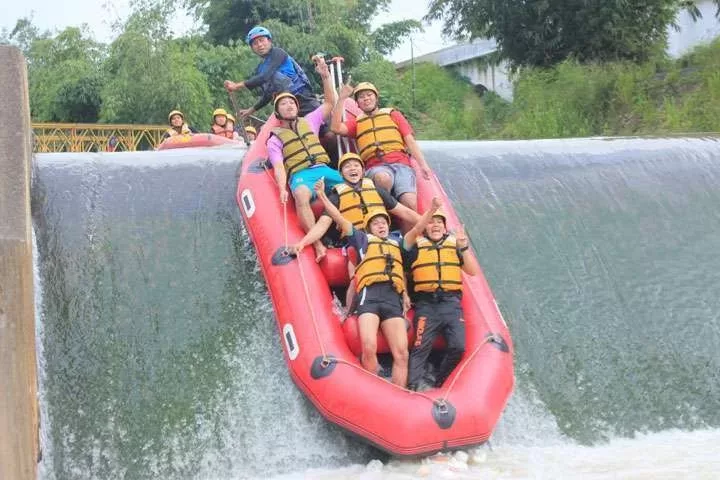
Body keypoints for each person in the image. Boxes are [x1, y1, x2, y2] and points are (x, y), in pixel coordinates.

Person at [313, 177, 411, 387]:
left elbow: (402, 266)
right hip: (370, 297)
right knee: (368, 346)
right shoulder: (361, 239)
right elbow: (339, 217)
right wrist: (322, 196)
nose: (380, 225)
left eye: (383, 222)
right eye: (376, 223)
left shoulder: (398, 242)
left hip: (392, 297)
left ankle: (398, 394)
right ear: (369, 228)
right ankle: (375, 386)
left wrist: (405, 294)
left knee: (402, 354)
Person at [267, 56, 343, 262]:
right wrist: (283, 188)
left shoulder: (310, 120)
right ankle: (317, 244)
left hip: (323, 169)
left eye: (292, 102)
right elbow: (279, 167)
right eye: (284, 104)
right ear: (278, 111)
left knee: (354, 186)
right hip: (301, 176)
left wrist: (325, 76)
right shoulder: (275, 139)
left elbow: (330, 102)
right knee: (300, 194)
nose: (289, 105)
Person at [403, 199, 480, 392]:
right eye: (431, 222)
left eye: (439, 222)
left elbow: (472, 271)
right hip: (427, 305)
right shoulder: (415, 245)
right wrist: (431, 211)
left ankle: (438, 381)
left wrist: (463, 247)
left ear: (445, 229)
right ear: (425, 227)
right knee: (421, 347)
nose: (435, 225)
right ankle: (411, 386)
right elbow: (412, 236)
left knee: (459, 347)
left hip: (451, 304)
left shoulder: (454, 246)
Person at [289, 152, 420, 262]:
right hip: (356, 240)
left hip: (383, 235)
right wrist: (303, 243)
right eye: (347, 167)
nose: (352, 169)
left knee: (410, 251)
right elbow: (322, 225)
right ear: (341, 174)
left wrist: (429, 222)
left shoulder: (376, 190)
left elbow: (405, 212)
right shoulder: (336, 196)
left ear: (363, 171)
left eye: (356, 166)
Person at [331, 81, 432, 212]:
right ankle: (384, 214)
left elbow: (410, 140)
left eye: (369, 95)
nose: (366, 99)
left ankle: (409, 229)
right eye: (361, 97)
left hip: (402, 164)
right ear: (357, 103)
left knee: (410, 203)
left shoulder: (393, 114)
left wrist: (423, 165)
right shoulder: (357, 123)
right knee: (382, 178)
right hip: (375, 166)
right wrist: (342, 98)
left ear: (376, 98)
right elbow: (335, 127)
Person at [223, 26, 319, 119]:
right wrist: (251, 110)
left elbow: (264, 77)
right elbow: (268, 94)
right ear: (252, 48)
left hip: (303, 99)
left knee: (327, 133)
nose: (259, 45)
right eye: (255, 43)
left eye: (262, 40)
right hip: (284, 108)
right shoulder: (261, 68)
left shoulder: (278, 53)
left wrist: (236, 86)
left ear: (269, 41)